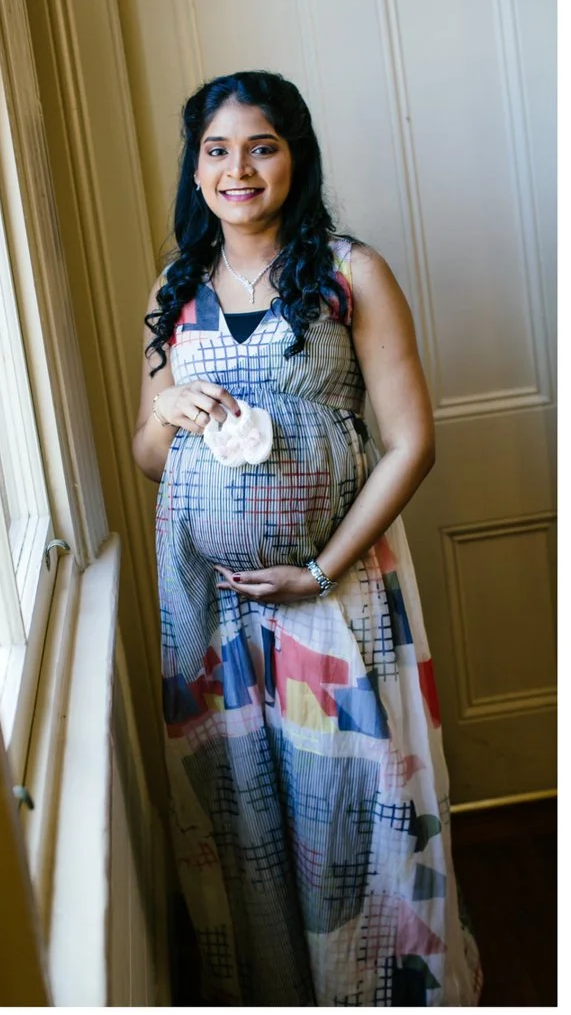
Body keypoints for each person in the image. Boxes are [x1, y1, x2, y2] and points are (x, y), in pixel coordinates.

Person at [131, 70, 482, 1006]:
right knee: (250, 810)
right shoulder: (176, 288)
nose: (238, 169)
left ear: (296, 157)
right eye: (217, 150)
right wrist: (168, 408)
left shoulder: (348, 272)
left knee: (360, 803)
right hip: (216, 613)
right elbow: (149, 455)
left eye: (262, 146)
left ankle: (380, 989)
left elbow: (411, 443)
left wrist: (319, 572)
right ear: (195, 168)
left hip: (338, 592)